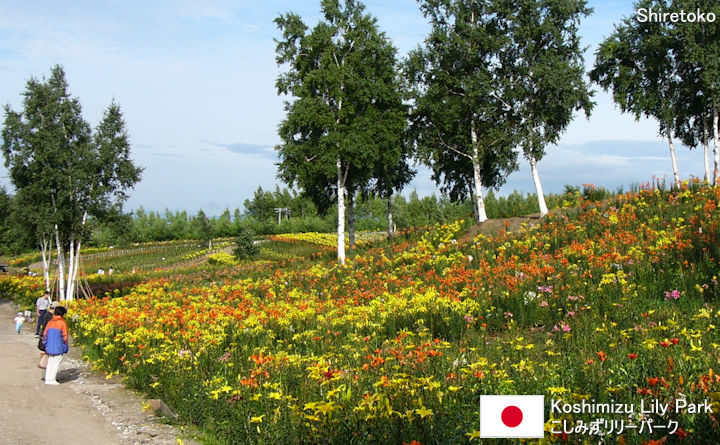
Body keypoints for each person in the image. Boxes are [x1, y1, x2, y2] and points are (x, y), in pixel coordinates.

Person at [43, 305, 69, 385]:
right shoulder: (62, 323)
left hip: (50, 346)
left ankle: (48, 378)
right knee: (56, 363)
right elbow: (65, 336)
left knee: (50, 362)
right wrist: (65, 346)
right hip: (59, 346)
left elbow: (45, 334)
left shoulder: (50, 322)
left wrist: (46, 344)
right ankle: (52, 379)